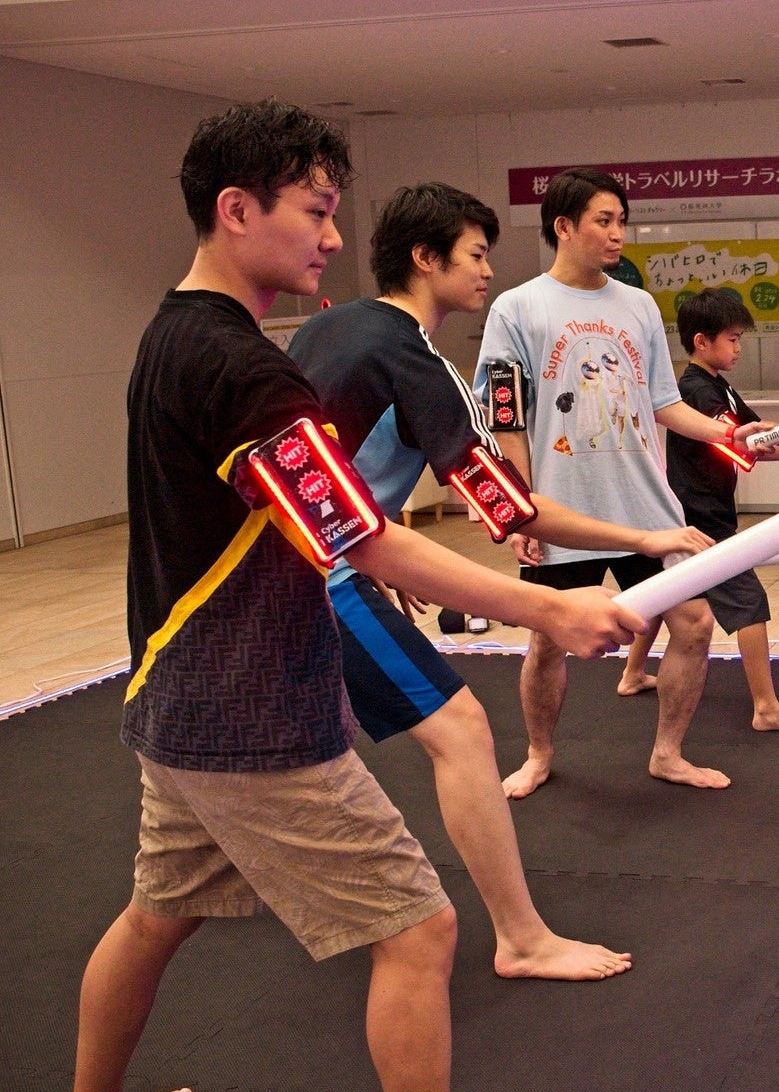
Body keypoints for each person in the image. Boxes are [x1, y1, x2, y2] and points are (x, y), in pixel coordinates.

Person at [80, 100, 638, 1092]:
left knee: (157, 914)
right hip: (247, 714)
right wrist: (547, 611)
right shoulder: (239, 363)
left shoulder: (176, 334)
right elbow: (356, 534)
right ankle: (521, 938)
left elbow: (319, 527)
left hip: (177, 696)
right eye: (315, 211)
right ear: (237, 210)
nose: (334, 237)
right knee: (420, 931)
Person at [289, 182, 724, 980]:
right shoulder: (420, 362)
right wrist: (642, 536)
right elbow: (511, 507)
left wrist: (377, 541)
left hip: (278, 572)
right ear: (427, 259)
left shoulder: (329, 327)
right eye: (476, 255)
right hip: (317, 581)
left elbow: (316, 460)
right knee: (462, 731)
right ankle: (521, 939)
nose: (488, 271)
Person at [473, 167, 768, 798]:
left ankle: (668, 753)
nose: (618, 234)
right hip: (562, 511)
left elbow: (665, 403)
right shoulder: (516, 308)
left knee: (694, 623)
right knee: (547, 644)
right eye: (603, 221)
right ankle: (538, 755)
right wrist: (519, 510)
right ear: (563, 226)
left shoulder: (638, 306)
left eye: (621, 222)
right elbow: (506, 420)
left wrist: (727, 434)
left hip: (646, 508)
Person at [615, 287, 779, 728]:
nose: (739, 348)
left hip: (700, 510)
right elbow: (745, 447)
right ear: (702, 341)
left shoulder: (716, 384)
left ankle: (631, 673)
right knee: (748, 602)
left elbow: (758, 428)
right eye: (733, 339)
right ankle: (766, 709)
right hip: (699, 517)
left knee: (667, 593)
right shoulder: (695, 391)